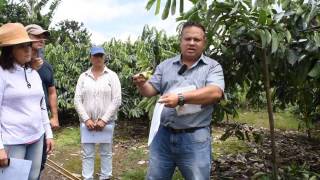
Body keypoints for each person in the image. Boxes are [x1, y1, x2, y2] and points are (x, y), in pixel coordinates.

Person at [133, 21, 225, 180]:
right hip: (163, 135)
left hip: (195, 137)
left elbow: (215, 92)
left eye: (197, 40)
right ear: (180, 41)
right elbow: (150, 91)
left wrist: (181, 98)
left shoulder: (212, 67)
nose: (191, 43)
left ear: (204, 43)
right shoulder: (165, 66)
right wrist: (142, 84)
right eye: (187, 38)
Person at [0, 23, 54, 180]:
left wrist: (48, 134)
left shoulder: (33, 73)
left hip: (36, 138)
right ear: (10, 51)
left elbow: (42, 106)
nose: (28, 50)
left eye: (28, 46)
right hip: (13, 141)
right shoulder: (2, 74)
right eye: (22, 47)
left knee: (33, 177)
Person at [74, 46, 122, 180]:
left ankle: (105, 176)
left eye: (100, 56)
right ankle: (87, 177)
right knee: (87, 153)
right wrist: (86, 119)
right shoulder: (83, 77)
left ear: (104, 57)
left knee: (106, 152)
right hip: (87, 122)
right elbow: (77, 100)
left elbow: (117, 99)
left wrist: (104, 119)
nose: (98, 58)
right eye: (95, 56)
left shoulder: (112, 76)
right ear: (90, 58)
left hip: (106, 122)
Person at [25, 24, 59, 179]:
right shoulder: (14, 66)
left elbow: (51, 92)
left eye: (42, 36)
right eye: (36, 36)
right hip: (19, 126)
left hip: (41, 122)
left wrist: (54, 117)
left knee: (38, 165)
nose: (41, 39)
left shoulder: (46, 67)